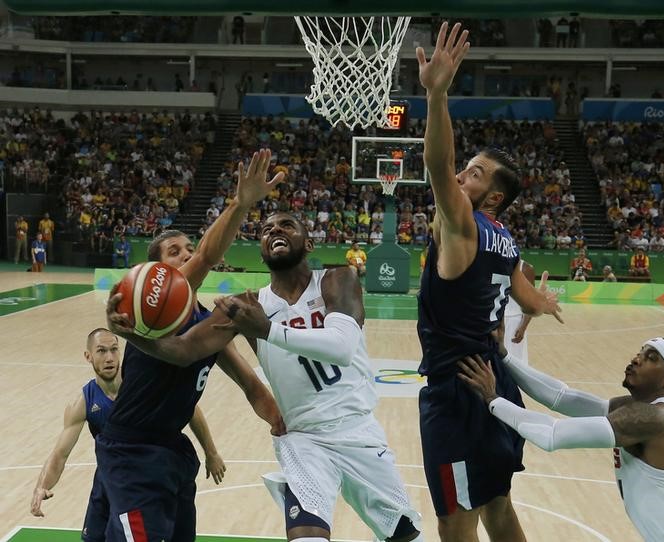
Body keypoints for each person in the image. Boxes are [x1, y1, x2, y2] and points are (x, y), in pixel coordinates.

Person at [107, 211, 425, 542]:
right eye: (266, 229)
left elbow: (342, 347)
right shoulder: (247, 305)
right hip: (304, 441)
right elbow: (185, 350)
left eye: (286, 225)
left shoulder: (336, 279)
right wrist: (131, 335)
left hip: (356, 430)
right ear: (261, 249)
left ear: (309, 241)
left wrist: (267, 329)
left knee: (405, 537)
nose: (275, 230)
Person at [415, 22, 562, 541]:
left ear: (493, 198)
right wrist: (542, 303)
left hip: (458, 391)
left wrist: (437, 94)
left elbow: (437, 163)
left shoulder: (466, 225)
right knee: (498, 504)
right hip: (494, 381)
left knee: (455, 521)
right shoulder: (508, 239)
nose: (461, 178)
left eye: (474, 174)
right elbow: (524, 297)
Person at [98, 150, 286, 542]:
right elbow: (205, 255)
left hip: (172, 451)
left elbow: (251, 386)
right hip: (131, 452)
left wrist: (281, 421)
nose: (185, 254)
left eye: (186, 247)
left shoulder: (208, 323)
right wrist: (240, 204)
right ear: (157, 275)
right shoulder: (150, 316)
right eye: (174, 252)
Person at [458, 326, 664, 542]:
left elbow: (552, 434)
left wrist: (492, 399)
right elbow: (562, 397)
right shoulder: (637, 409)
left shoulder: (657, 418)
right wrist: (505, 357)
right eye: (641, 352)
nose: (636, 359)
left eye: (651, 358)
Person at [30, 329, 225, 541]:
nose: (109, 358)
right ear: (88, 356)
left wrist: (211, 453)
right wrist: (43, 486)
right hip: (109, 476)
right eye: (102, 351)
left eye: (114, 350)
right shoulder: (83, 402)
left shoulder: (141, 385)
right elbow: (60, 454)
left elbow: (190, 409)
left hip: (144, 476)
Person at [503, 260, 535, 364]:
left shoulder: (526, 268)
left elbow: (531, 302)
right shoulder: (494, 262)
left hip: (514, 322)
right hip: (495, 320)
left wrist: (523, 326)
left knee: (516, 364)